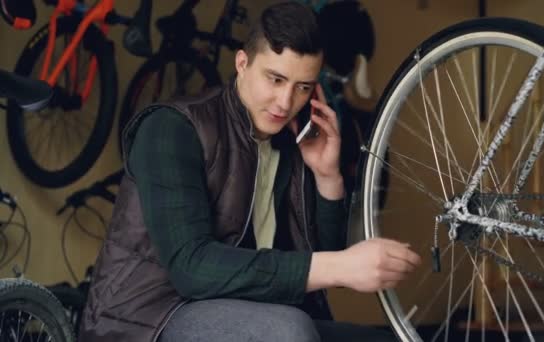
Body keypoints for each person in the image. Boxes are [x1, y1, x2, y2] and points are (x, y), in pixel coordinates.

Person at [79, 2, 421, 341]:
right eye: (275, 79)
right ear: (242, 63)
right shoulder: (171, 127)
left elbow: (320, 264)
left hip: (245, 310)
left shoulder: (290, 141)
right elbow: (191, 268)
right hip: (146, 319)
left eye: (303, 87)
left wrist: (327, 176)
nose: (285, 103)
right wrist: (340, 266)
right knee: (288, 332)